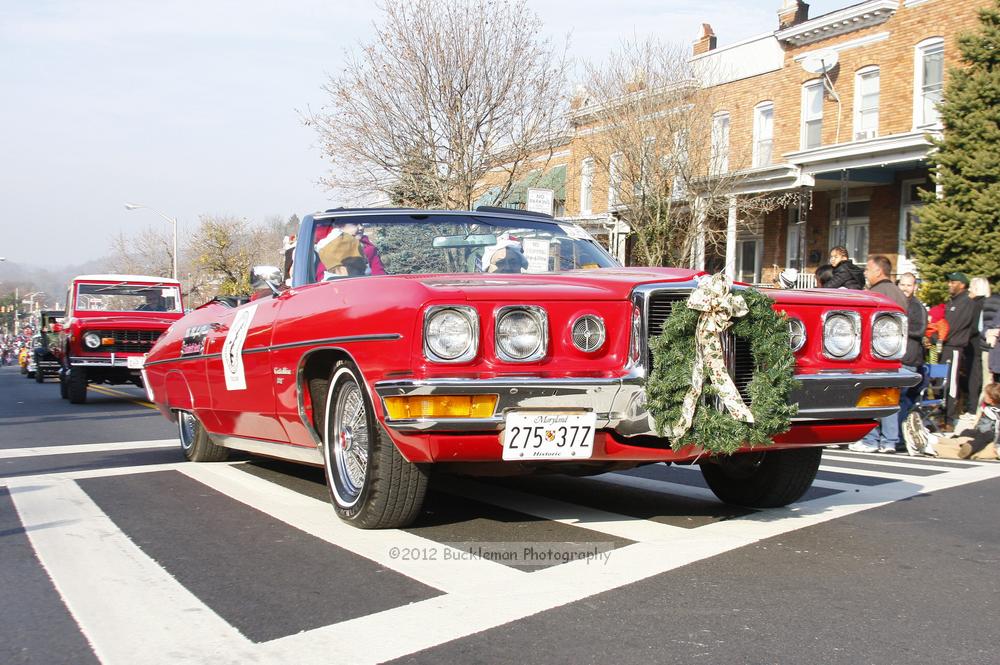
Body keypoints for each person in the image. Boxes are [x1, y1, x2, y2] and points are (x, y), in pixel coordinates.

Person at [849, 256, 907, 453]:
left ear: (879, 271)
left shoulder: (874, 295)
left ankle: (870, 440)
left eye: (868, 269)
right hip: (893, 354)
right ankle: (890, 440)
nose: (865, 273)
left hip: (873, 356)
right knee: (889, 398)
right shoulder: (899, 294)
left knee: (870, 398)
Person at [942, 272, 977, 429]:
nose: (950, 284)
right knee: (942, 381)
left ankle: (949, 420)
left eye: (953, 282)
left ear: (962, 285)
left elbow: (954, 327)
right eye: (949, 282)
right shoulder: (952, 302)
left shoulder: (965, 303)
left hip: (955, 347)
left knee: (951, 384)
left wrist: (940, 334)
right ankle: (943, 414)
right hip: (945, 347)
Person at [897, 272, 928, 449]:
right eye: (903, 285)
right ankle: (900, 437)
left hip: (910, 358)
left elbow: (921, 330)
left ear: (915, 287)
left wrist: (901, 327)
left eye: (909, 285)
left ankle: (901, 438)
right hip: (899, 358)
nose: (905, 288)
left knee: (901, 400)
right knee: (899, 401)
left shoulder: (918, 307)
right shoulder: (899, 302)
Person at [965, 277, 991, 416]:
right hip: (987, 346)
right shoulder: (990, 303)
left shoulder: (975, 304)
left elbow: (974, 327)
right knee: (983, 378)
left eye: (971, 287)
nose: (969, 290)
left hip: (974, 345)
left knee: (973, 377)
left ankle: (972, 407)